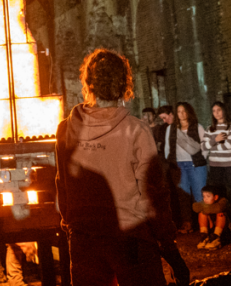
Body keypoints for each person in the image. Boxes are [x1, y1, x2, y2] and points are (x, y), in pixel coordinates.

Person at [55, 49, 185, 286]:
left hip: (84, 239)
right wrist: (169, 247)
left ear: (88, 84)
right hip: (132, 239)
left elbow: (62, 184)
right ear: (125, 84)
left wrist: (71, 225)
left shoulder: (66, 129)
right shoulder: (136, 131)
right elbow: (153, 193)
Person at [165, 102, 208, 232]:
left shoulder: (197, 127)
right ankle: (187, 223)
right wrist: (172, 160)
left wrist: (201, 158)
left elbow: (204, 144)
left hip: (195, 165)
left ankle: (204, 225)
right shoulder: (171, 129)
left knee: (199, 195)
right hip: (179, 165)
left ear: (189, 112)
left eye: (184, 111)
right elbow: (168, 147)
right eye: (179, 111)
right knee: (183, 196)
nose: (182, 114)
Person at [202, 102, 231, 225]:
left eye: (219, 110)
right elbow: (203, 146)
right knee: (218, 193)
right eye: (214, 111)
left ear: (224, 110)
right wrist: (216, 139)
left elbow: (229, 145)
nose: (216, 113)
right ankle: (224, 221)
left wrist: (212, 146)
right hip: (215, 165)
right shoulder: (210, 129)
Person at [193, 185, 229, 250]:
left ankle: (216, 238)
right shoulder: (205, 202)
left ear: (215, 197)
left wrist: (205, 209)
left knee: (221, 213)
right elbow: (195, 207)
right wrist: (205, 209)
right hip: (211, 227)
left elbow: (218, 208)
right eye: (204, 196)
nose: (205, 199)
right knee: (202, 213)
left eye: (208, 196)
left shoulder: (223, 201)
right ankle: (204, 236)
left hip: (224, 230)